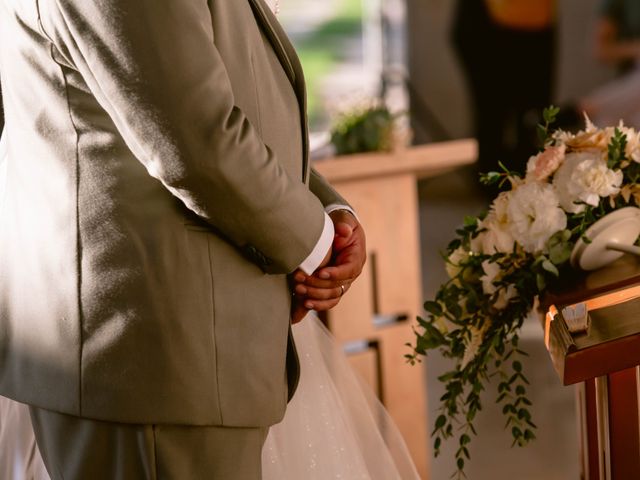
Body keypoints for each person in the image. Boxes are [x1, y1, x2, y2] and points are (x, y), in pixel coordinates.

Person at [0, 0, 368, 478]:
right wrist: (314, 242)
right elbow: (195, 140)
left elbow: (209, 96)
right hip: (147, 356)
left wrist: (327, 214)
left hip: (180, 355)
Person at [452, 0, 556, 184]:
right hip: (490, 22)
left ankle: (525, 189)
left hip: (535, 23)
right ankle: (496, 192)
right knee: (492, 114)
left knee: (532, 119)